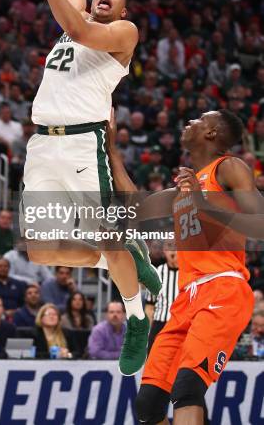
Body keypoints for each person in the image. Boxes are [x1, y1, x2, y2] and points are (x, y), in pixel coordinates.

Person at [24, 0, 160, 376]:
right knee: (41, 252)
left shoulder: (123, 33)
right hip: (43, 143)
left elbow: (77, 24)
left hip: (85, 142)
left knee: (106, 232)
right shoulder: (77, 15)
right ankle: (120, 257)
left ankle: (137, 317)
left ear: (124, 10)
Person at [108, 109, 262, 424]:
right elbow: (135, 206)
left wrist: (206, 205)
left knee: (188, 388)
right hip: (186, 298)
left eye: (198, 120)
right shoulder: (184, 188)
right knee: (148, 405)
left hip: (223, 286)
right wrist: (111, 149)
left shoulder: (229, 168)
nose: (188, 122)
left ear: (212, 132)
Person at [144, 242, 179, 352]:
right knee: (153, 362)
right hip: (160, 324)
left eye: (176, 246)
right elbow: (150, 307)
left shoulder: (190, 273)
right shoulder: (156, 273)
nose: (172, 250)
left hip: (182, 325)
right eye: (169, 246)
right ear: (164, 251)